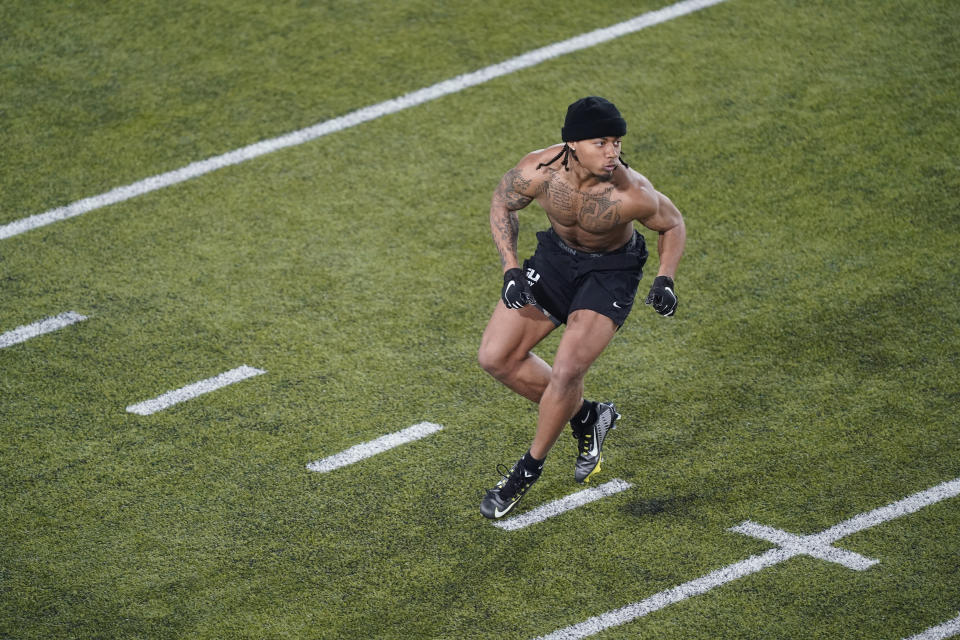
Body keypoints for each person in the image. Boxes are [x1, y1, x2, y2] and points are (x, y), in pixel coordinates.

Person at [477, 96, 686, 519]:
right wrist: (511, 269)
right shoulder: (539, 171)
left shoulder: (631, 193)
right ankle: (590, 416)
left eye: (616, 142)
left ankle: (526, 471)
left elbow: (673, 223)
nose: (612, 152)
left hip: (610, 271)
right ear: (572, 143)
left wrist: (666, 277)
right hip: (555, 258)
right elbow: (503, 202)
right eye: (601, 142)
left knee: (569, 368)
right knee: (496, 357)